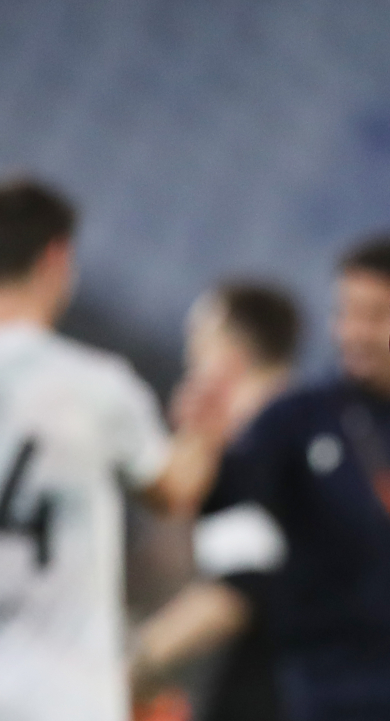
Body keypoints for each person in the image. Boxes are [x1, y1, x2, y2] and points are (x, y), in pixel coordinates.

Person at [0, 177, 223, 721]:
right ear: (57, 257)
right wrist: (206, 424)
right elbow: (175, 491)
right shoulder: (96, 389)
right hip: (63, 693)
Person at [203, 238, 390, 721]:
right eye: (345, 312)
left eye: (374, 314)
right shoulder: (293, 422)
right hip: (310, 693)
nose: (353, 332)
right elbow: (217, 522)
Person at [131, 283, 300, 721]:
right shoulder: (311, 435)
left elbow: (235, 591)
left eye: (197, 350)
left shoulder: (252, 451)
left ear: (227, 361)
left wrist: (131, 664)